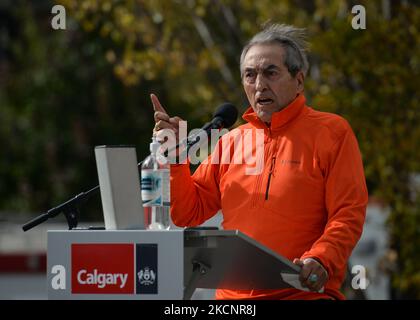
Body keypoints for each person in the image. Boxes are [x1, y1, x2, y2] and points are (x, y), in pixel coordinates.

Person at [151, 23, 368, 300]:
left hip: (302, 294)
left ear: (299, 81)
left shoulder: (333, 132)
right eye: (250, 75)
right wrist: (177, 157)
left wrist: (322, 258)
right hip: (233, 301)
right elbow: (187, 213)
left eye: (271, 73)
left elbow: (348, 213)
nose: (259, 85)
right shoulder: (230, 141)